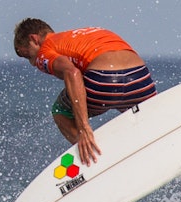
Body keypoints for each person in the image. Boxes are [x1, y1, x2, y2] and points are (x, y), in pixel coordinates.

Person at [13, 19, 157, 166]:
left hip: (104, 82)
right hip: (140, 80)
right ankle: (153, 138)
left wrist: (83, 127)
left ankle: (93, 156)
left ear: (34, 39)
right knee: (129, 105)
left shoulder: (46, 49)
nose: (32, 63)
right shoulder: (86, 33)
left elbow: (72, 73)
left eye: (28, 55)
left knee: (60, 110)